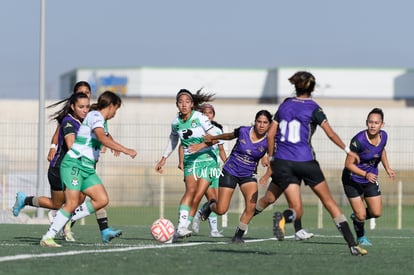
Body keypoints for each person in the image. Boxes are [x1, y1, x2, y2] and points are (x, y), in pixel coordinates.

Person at [264, 71, 367, 256]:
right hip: (305, 161)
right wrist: (347, 150)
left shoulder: (285, 104)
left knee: (297, 210)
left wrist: (272, 158)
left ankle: (284, 219)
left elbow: (271, 134)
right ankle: (352, 245)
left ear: (295, 86)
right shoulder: (314, 108)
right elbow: (331, 134)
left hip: (282, 162)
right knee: (329, 203)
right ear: (312, 88)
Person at [13, 81, 121, 243]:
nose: (85, 97)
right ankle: (53, 220)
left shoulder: (91, 113)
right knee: (63, 203)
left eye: (87, 92)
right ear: (73, 103)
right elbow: (65, 137)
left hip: (82, 165)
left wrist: (108, 142)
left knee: (88, 198)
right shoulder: (68, 120)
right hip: (62, 166)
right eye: (81, 93)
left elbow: (102, 132)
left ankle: (98, 229)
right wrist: (52, 146)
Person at [40, 91, 137, 247]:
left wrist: (109, 145)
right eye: (116, 109)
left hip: (87, 168)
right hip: (74, 164)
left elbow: (102, 137)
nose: (115, 113)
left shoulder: (99, 119)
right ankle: (48, 236)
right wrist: (126, 150)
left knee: (102, 199)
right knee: (71, 203)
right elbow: (101, 137)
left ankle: (67, 218)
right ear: (111, 106)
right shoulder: (95, 116)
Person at [200, 110, 272, 243]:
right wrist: (213, 138)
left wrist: (266, 165)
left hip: (248, 175)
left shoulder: (269, 140)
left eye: (265, 123)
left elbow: (272, 156)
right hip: (230, 170)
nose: (261, 125)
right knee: (221, 210)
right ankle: (210, 205)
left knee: (251, 207)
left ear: (269, 125)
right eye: (259, 122)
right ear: (255, 122)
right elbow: (228, 136)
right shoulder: (244, 131)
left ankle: (238, 235)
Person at [155, 89, 217, 239]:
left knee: (199, 195)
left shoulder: (201, 118)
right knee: (190, 191)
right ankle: (182, 227)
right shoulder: (176, 123)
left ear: (192, 104)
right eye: (181, 102)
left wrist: (201, 146)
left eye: (187, 102)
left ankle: (193, 221)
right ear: (177, 105)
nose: (184, 105)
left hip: (207, 160)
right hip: (190, 161)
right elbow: (173, 140)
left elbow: (215, 139)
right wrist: (164, 158)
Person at [342, 108, 395, 246]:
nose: (373, 125)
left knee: (376, 213)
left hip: (369, 178)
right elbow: (348, 164)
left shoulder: (384, 136)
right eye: (370, 122)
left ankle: (358, 216)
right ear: (366, 123)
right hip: (352, 179)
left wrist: (387, 167)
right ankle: (361, 237)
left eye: (376, 123)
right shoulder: (358, 140)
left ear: (382, 124)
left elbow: (381, 150)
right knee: (361, 215)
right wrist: (365, 173)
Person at [186, 103, 227, 237]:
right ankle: (185, 224)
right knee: (198, 196)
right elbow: (184, 145)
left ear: (213, 115)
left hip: (214, 167)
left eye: (210, 113)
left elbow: (221, 150)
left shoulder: (216, 130)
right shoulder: (197, 129)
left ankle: (209, 225)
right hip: (201, 167)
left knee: (214, 200)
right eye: (205, 113)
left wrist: (226, 163)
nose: (208, 115)